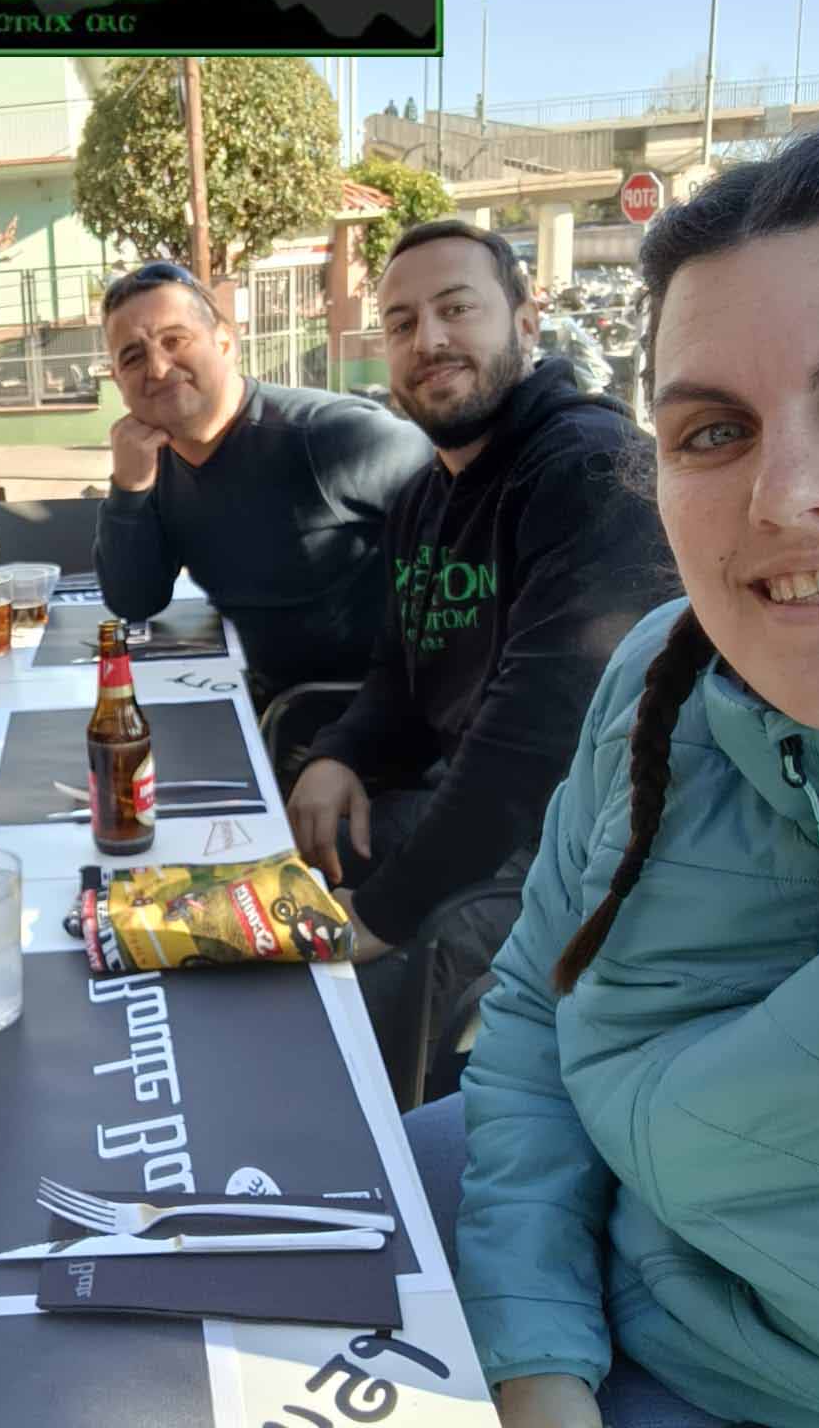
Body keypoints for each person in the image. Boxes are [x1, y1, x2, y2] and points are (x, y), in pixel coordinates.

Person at [423, 128, 819, 1428]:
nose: (783, 494)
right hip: (572, 1266)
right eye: (711, 430)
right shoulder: (663, 672)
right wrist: (539, 1366)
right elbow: (533, 1011)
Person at [285, 220, 674, 1083]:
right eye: (402, 322)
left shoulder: (592, 472)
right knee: (283, 866)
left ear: (526, 322)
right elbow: (400, 675)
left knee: (344, 1001)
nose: (429, 340)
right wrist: (340, 755)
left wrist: (383, 913)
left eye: (457, 309)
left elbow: (535, 741)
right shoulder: (426, 495)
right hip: (479, 817)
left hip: (592, 858)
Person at [92, 261, 433, 710]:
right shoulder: (154, 461)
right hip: (244, 697)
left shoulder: (331, 436)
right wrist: (129, 488)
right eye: (133, 357)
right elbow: (135, 600)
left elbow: (475, 523)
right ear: (117, 381)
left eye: (174, 340)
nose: (157, 368)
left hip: (361, 712)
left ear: (225, 343)